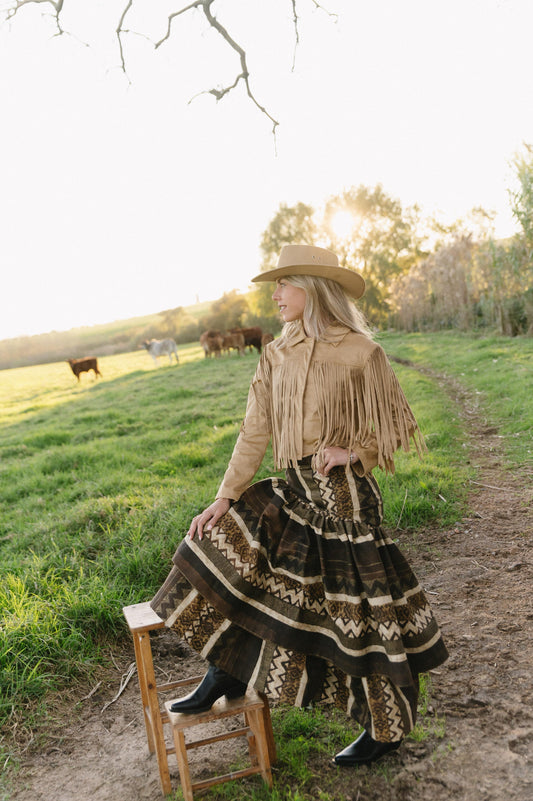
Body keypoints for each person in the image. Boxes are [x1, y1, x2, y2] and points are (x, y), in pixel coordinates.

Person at [150, 244, 448, 766]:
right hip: (293, 491)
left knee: (360, 622)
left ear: (312, 287)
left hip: (345, 502)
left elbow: (395, 423)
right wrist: (225, 496)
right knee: (232, 557)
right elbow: (254, 431)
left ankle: (386, 728)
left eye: (284, 284)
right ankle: (228, 669)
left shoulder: (360, 351)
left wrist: (355, 450)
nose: (276, 295)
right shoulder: (275, 353)